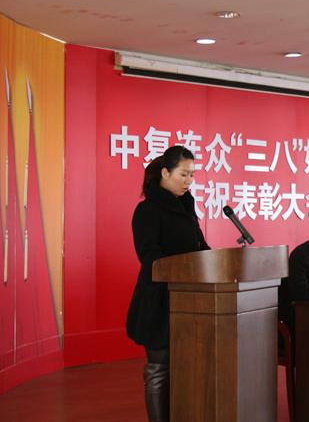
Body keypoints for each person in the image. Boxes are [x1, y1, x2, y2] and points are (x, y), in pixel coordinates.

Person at [126, 146, 210, 422]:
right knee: (159, 370)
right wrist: (186, 269)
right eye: (183, 174)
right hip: (159, 301)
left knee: (186, 369)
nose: (189, 181)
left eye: (192, 175)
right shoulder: (147, 209)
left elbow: (200, 247)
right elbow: (150, 257)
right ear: (165, 172)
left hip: (190, 299)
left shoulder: (187, 207)